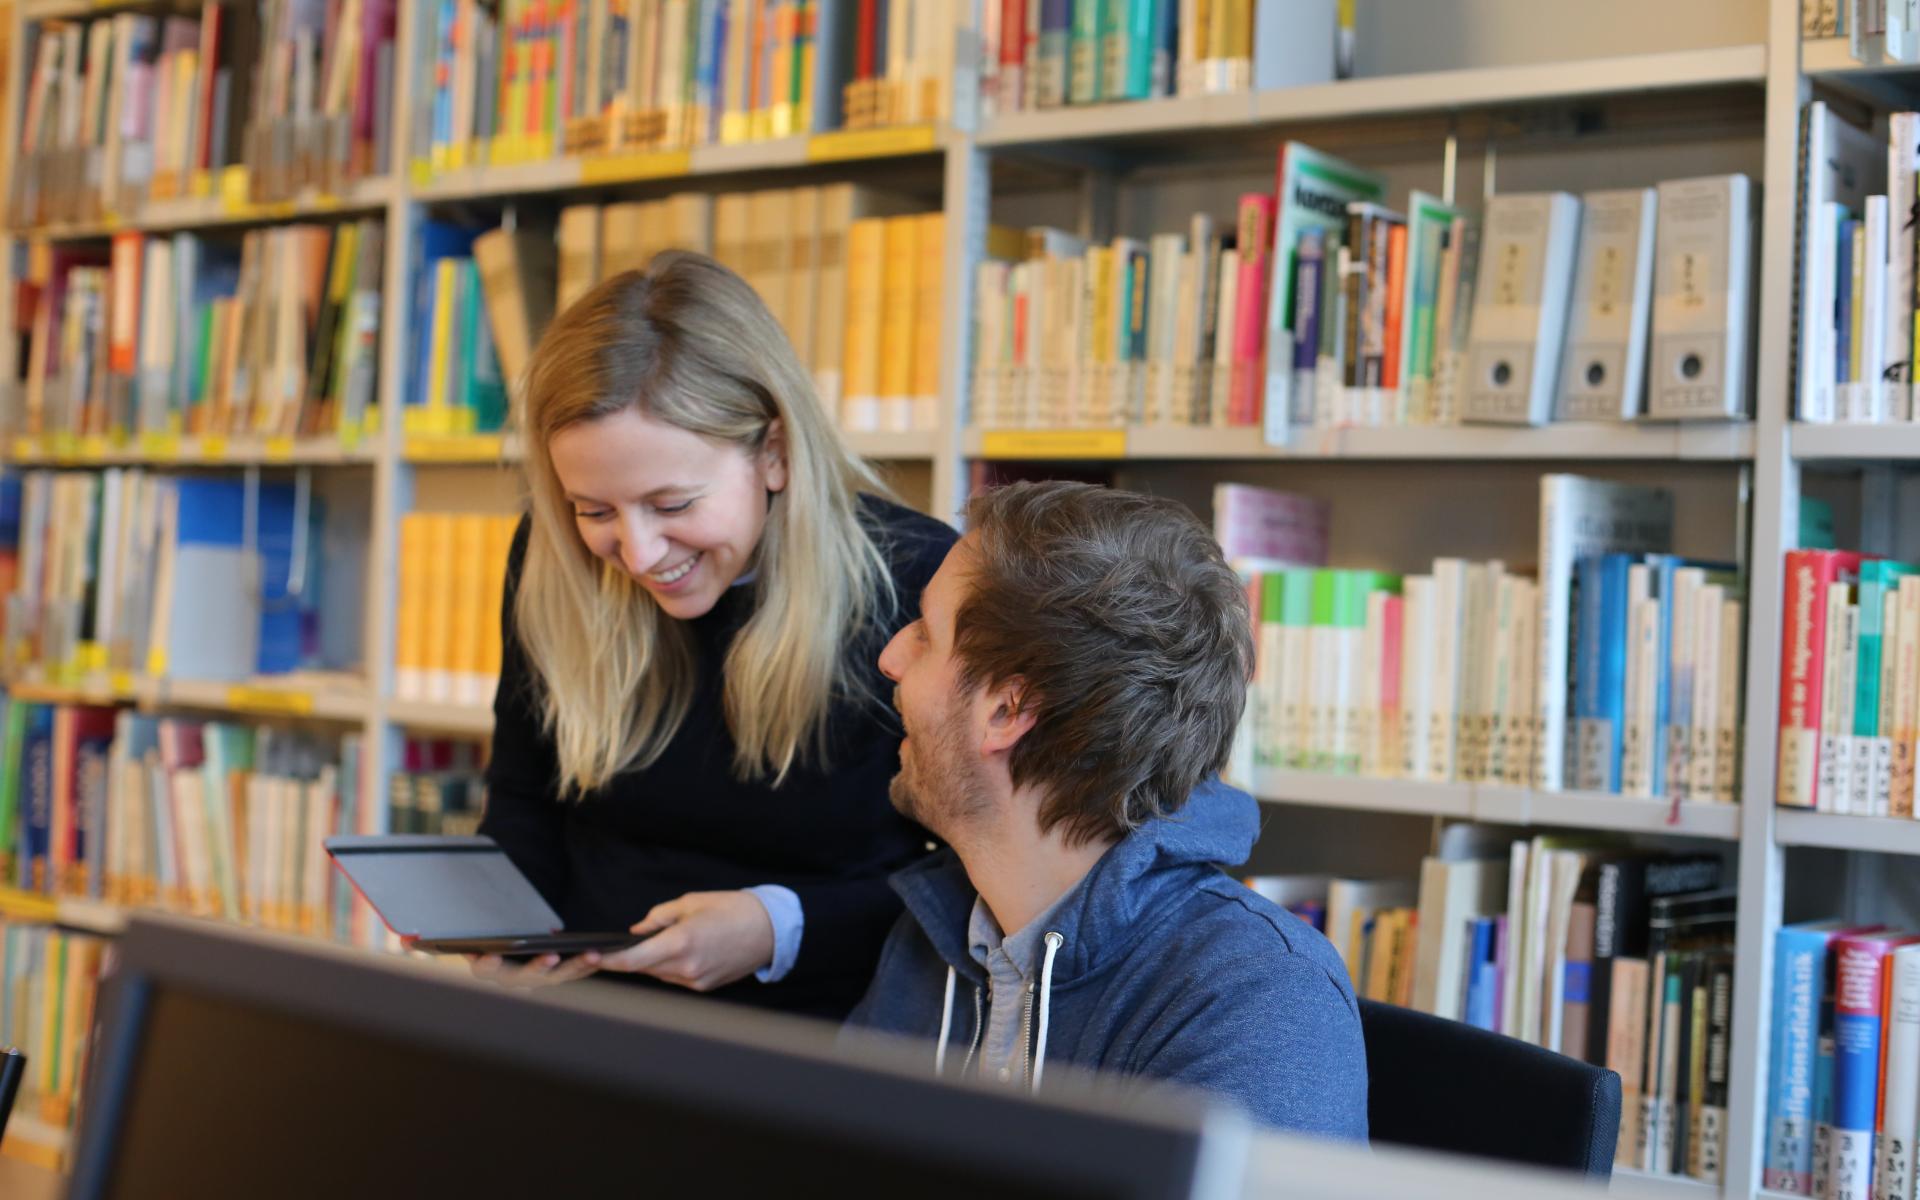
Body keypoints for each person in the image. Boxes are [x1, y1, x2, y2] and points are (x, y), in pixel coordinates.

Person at [476, 251, 956, 1020]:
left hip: (820, 1041)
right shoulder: (552, 560)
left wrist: (779, 927)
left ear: (773, 452)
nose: (637, 554)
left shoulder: (918, 583)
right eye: (594, 510)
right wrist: (493, 924)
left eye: (672, 503)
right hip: (582, 1022)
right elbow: (524, 796)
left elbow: (973, 886)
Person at [845, 481, 1368, 1138]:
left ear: (1007, 710)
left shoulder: (1260, 998)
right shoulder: (933, 937)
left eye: (925, 634)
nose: (890, 657)